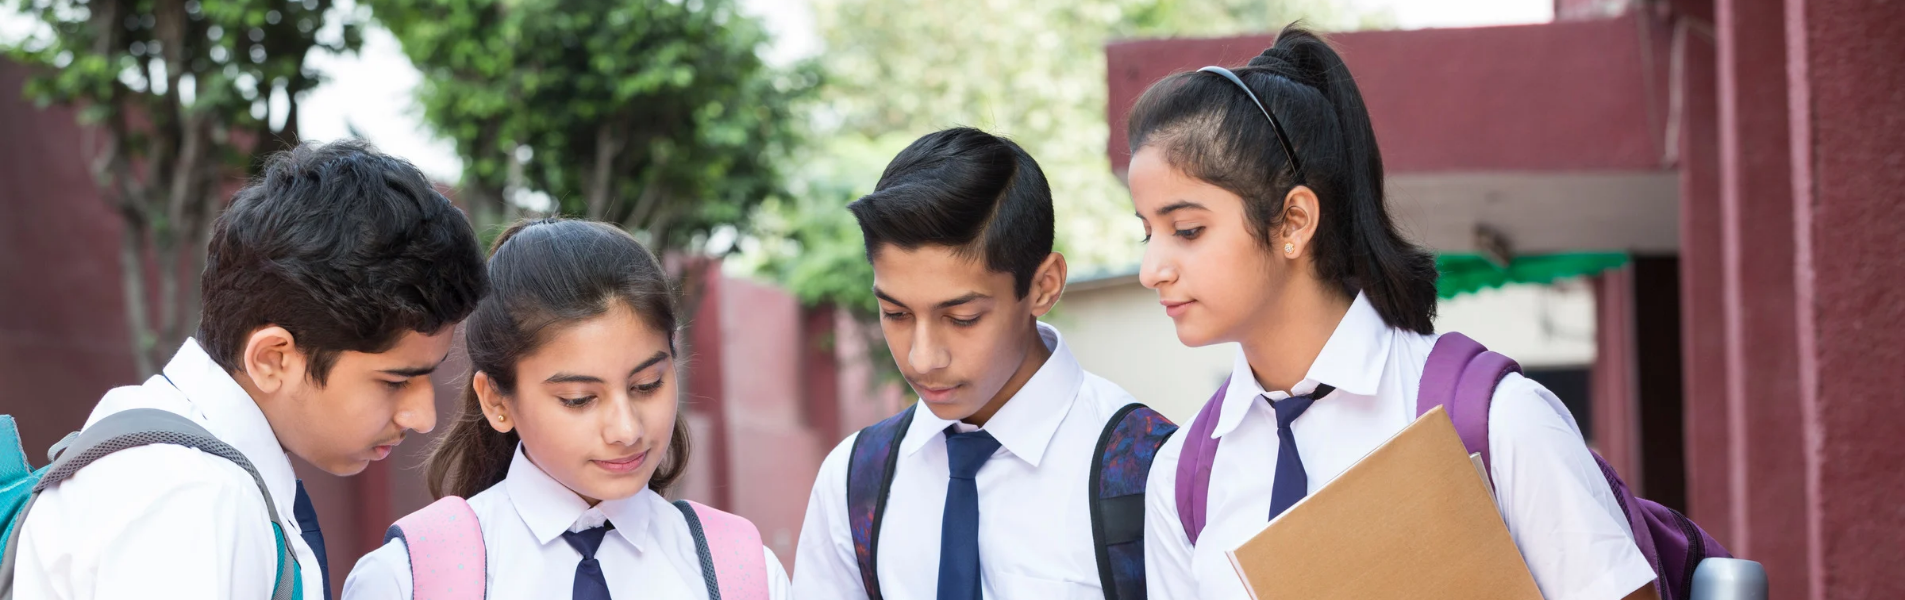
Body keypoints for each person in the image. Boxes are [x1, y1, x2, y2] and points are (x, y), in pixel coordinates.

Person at [1129, 25, 1659, 600]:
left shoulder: (1492, 418)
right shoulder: (1183, 478)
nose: (1152, 269)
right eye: (1147, 232)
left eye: (1187, 230)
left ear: (1294, 221)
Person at [13, 140, 490, 600]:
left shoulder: (187, 468)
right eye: (396, 380)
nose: (422, 416)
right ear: (272, 359)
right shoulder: (193, 497)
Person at [792, 127, 1176, 600]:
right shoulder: (855, 480)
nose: (922, 357)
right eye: (895, 313)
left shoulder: (1152, 470)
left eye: (962, 318)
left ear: (1044, 287)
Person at [343, 218, 789, 600]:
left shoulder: (741, 570)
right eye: (579, 399)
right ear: (496, 400)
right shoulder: (410, 577)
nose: (626, 429)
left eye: (647, 385)